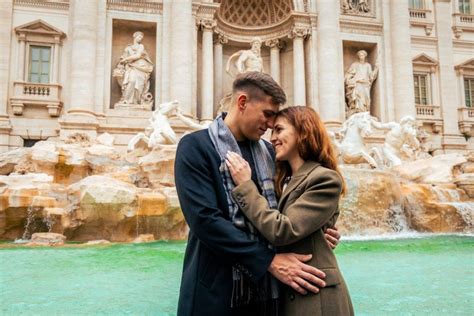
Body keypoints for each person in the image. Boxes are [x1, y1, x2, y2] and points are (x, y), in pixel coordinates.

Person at [174, 72, 341, 316]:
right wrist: (269, 262)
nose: (271, 125)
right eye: (268, 114)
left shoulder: (270, 153)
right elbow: (204, 220)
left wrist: (315, 233)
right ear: (242, 103)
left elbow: (291, 210)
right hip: (216, 293)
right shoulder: (195, 146)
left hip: (269, 295)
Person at [226, 106, 354, 316]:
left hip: (316, 295)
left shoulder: (324, 178)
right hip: (287, 290)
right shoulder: (279, 180)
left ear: (302, 132)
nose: (272, 138)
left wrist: (245, 185)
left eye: (279, 130)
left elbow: (283, 230)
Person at [114, 31, 154, 106]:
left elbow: (138, 56)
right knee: (131, 81)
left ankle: (137, 101)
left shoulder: (141, 46)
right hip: (130, 67)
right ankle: (127, 100)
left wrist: (125, 59)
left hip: (140, 68)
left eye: (141, 38)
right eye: (139, 37)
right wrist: (122, 61)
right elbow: (123, 57)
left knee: (139, 85)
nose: (140, 39)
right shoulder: (128, 48)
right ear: (134, 36)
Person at [344, 50, 378, 116]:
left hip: (365, 85)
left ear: (365, 56)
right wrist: (355, 79)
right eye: (360, 55)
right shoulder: (355, 65)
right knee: (358, 99)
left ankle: (365, 112)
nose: (361, 56)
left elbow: (371, 76)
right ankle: (358, 112)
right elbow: (348, 75)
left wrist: (376, 68)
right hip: (358, 84)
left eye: (362, 55)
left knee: (366, 99)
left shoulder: (368, 65)